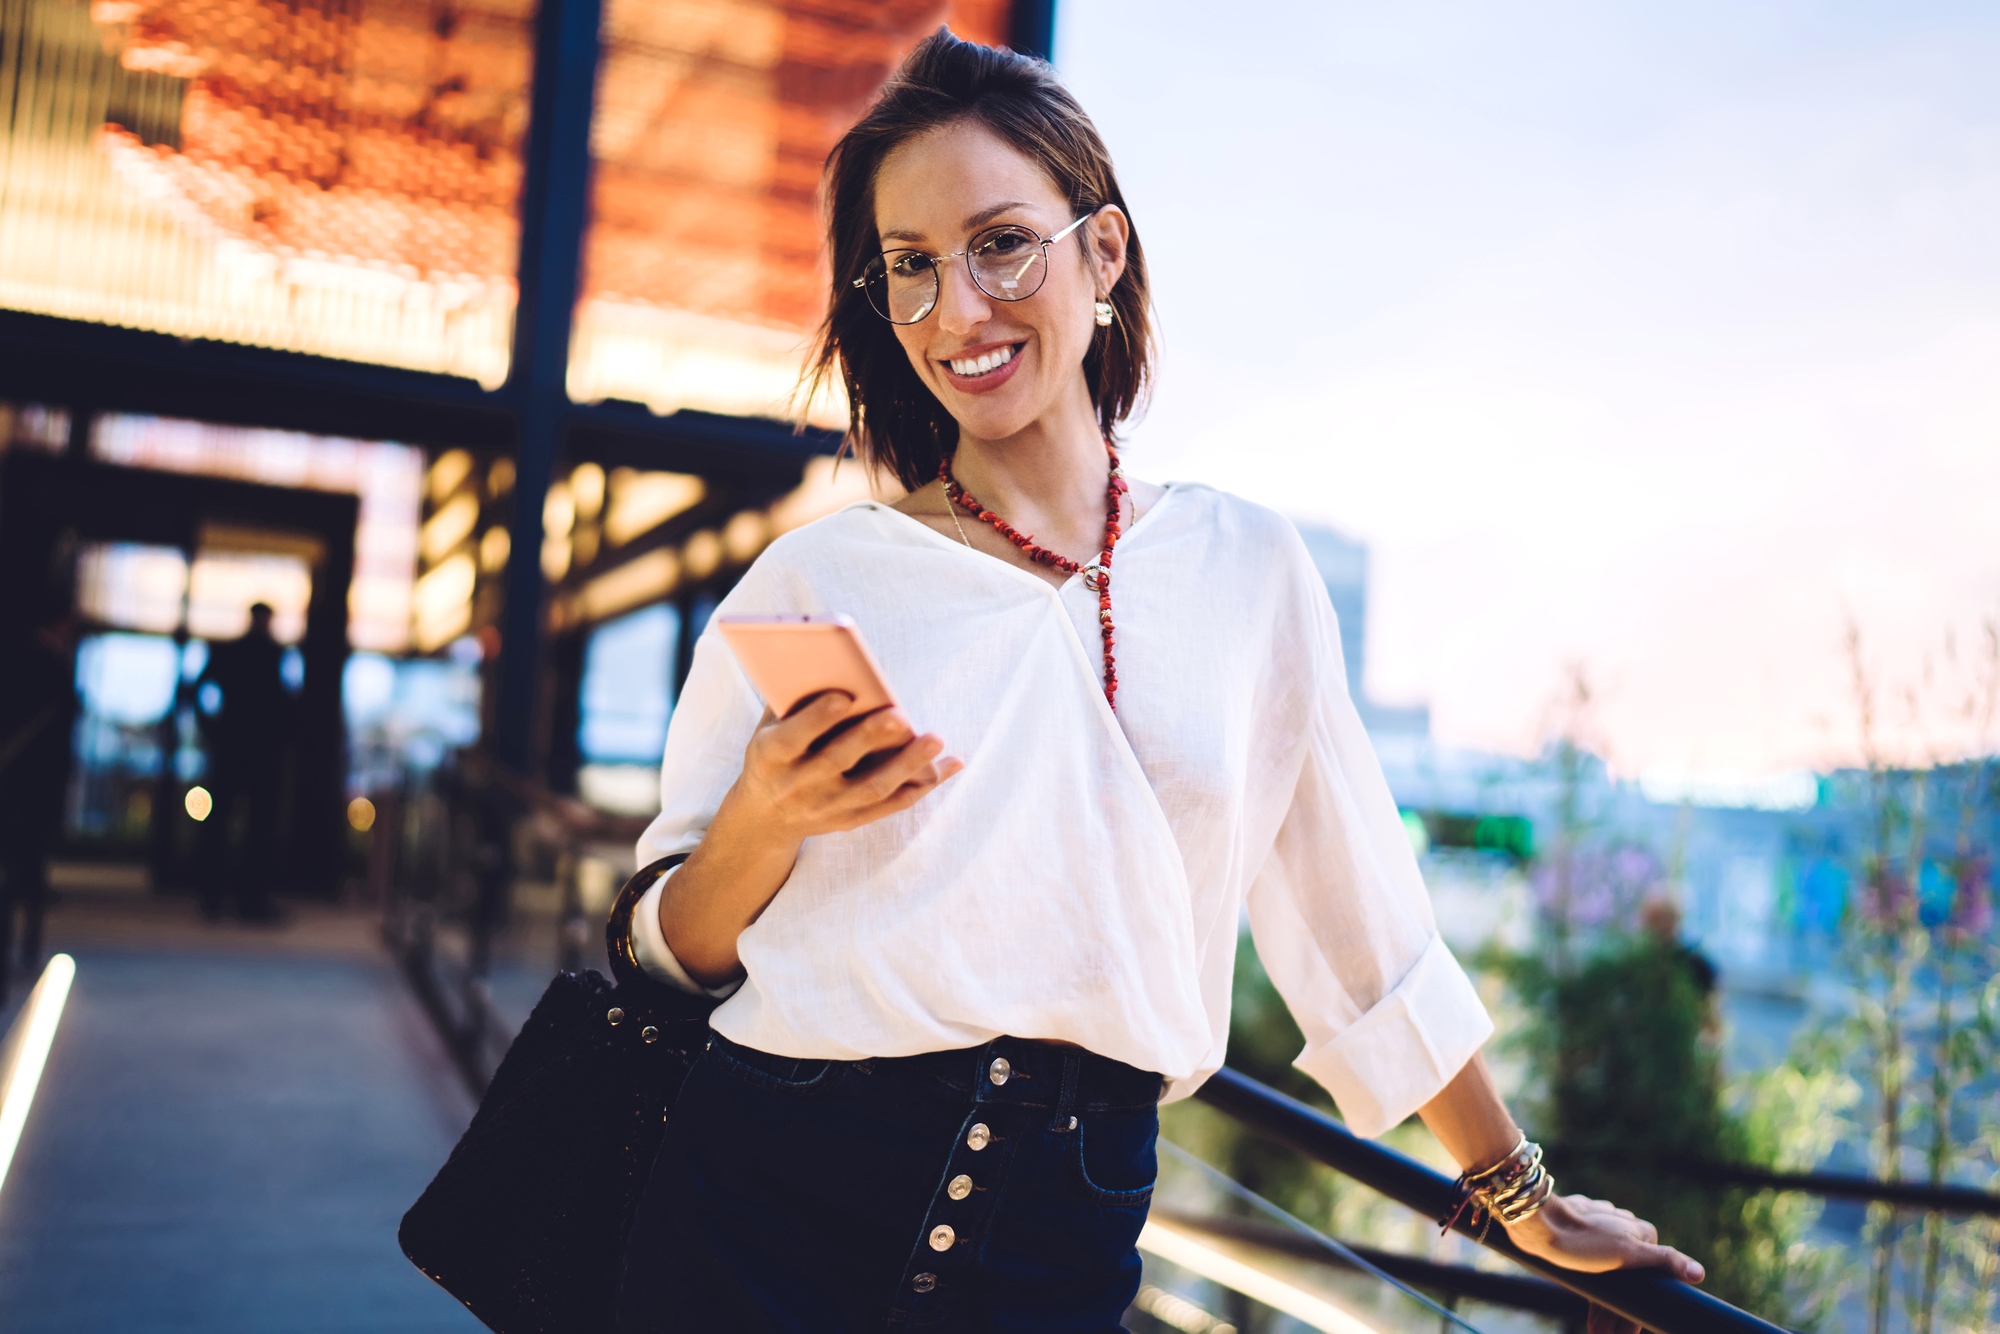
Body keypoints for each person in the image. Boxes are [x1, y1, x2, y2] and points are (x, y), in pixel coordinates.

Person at [613, 30, 1703, 1332]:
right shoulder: (816, 578)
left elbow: (1362, 922)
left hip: (1062, 1225)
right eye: (911, 266)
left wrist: (1521, 1194)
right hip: (762, 1193)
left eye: (1000, 242)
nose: (957, 309)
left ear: (1105, 253)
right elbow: (657, 951)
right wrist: (763, 822)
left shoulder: (1245, 569)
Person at [0, 607, 79, 999]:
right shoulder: (41, 666)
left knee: (20, 869)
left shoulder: (41, 663)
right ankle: (24, 947)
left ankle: (26, 946)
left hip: (26, 781)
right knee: (20, 867)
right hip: (27, 783)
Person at [195, 601, 290, 921]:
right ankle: (246, 899)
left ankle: (217, 897)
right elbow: (285, 702)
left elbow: (199, 690)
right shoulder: (270, 654)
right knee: (251, 826)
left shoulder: (240, 651)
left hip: (236, 747)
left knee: (229, 823)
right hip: (252, 750)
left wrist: (214, 730)